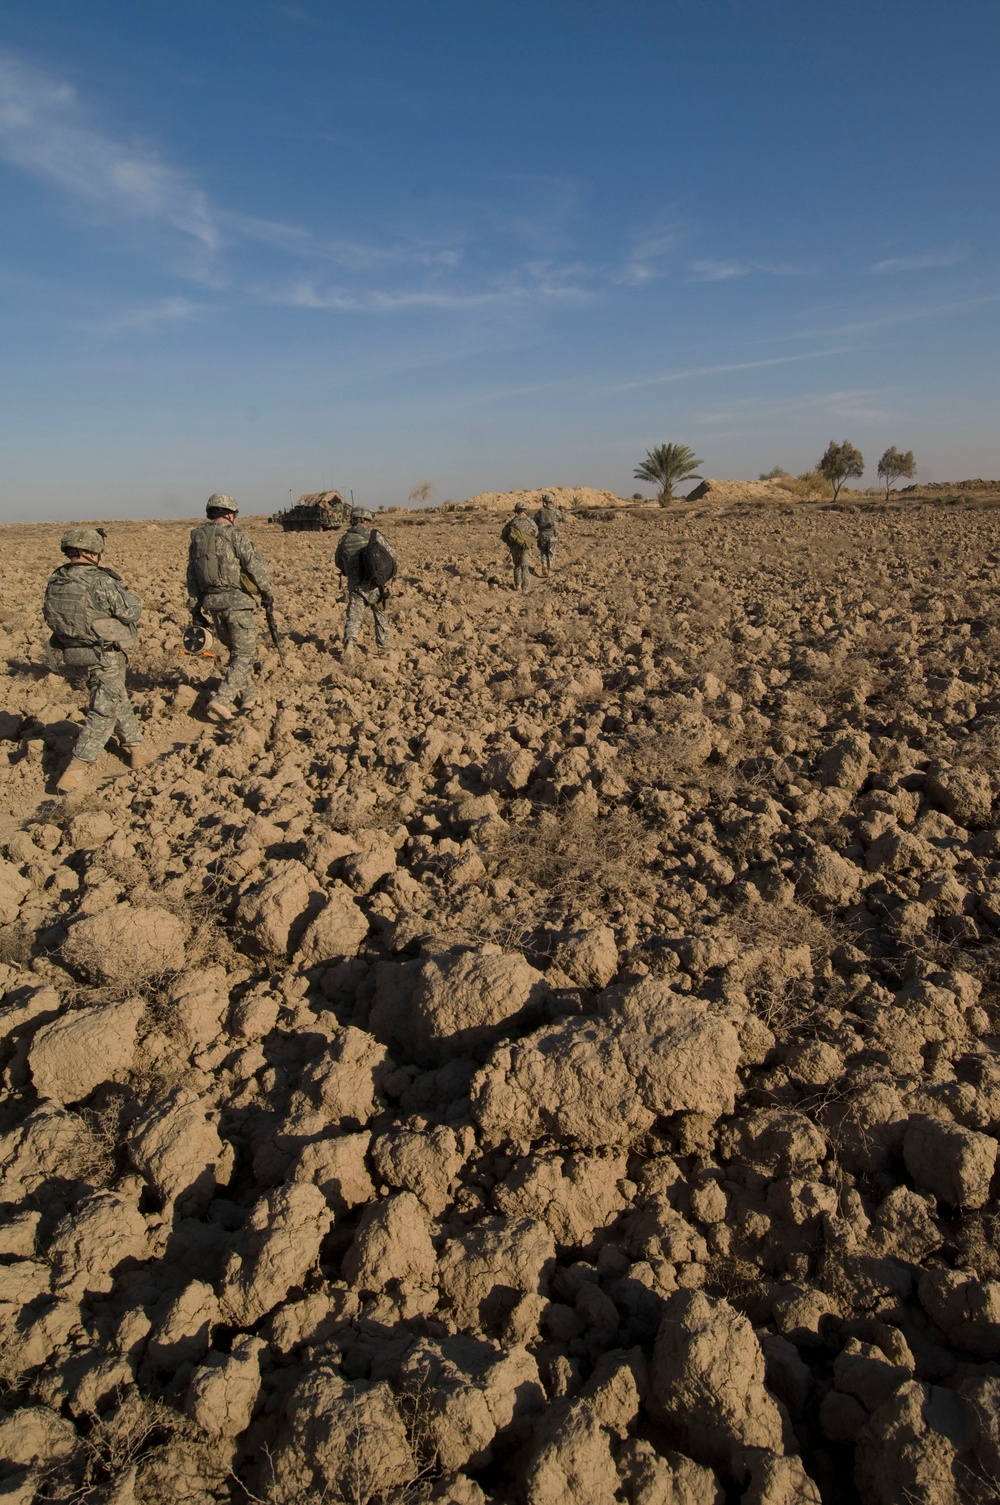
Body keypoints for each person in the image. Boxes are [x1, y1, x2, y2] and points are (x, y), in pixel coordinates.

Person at [43, 527, 152, 794]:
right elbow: (131, 611)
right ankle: (77, 767)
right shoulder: (99, 581)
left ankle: (135, 749)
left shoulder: (57, 580)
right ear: (92, 553)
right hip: (104, 654)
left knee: (114, 698)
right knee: (103, 711)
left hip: (75, 653)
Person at [186, 494, 274, 721]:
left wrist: (195, 610)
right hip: (237, 604)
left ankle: (248, 698)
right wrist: (267, 592)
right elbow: (254, 565)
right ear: (229, 513)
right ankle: (222, 700)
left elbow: (192, 577)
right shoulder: (235, 535)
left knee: (236, 653)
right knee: (244, 654)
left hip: (213, 605)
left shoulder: (197, 538)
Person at [334, 506, 397, 656]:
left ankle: (349, 646)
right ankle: (383, 649)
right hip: (375, 584)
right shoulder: (373, 535)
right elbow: (392, 554)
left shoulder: (344, 539)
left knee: (353, 618)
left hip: (355, 587)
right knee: (380, 616)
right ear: (366, 520)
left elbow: (338, 562)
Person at [501, 501, 537, 592]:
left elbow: (504, 535)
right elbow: (536, 533)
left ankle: (518, 585)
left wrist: (510, 543)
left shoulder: (512, 522)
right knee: (525, 566)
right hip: (526, 547)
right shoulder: (530, 522)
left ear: (516, 510)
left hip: (515, 547)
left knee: (517, 565)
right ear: (524, 510)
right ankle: (525, 588)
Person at [533, 493, 563, 576]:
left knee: (543, 551)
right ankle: (550, 570)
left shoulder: (540, 511)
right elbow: (563, 517)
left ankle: (544, 564)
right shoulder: (555, 511)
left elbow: (534, 521)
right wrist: (562, 511)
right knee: (551, 552)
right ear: (552, 501)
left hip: (542, 534)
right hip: (552, 534)